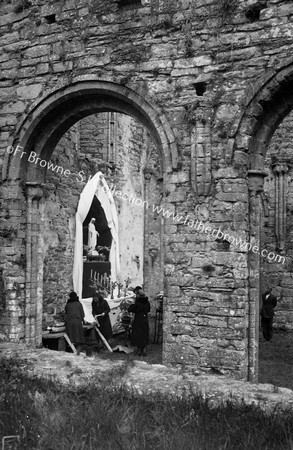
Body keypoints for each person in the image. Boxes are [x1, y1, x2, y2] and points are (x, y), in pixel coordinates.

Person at [128, 289, 150, 356]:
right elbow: (148, 309)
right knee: (144, 334)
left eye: (136, 294)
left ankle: (140, 350)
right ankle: (144, 350)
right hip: (145, 320)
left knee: (138, 335)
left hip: (138, 320)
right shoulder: (147, 302)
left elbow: (131, 309)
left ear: (139, 295)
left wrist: (131, 305)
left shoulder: (138, 303)